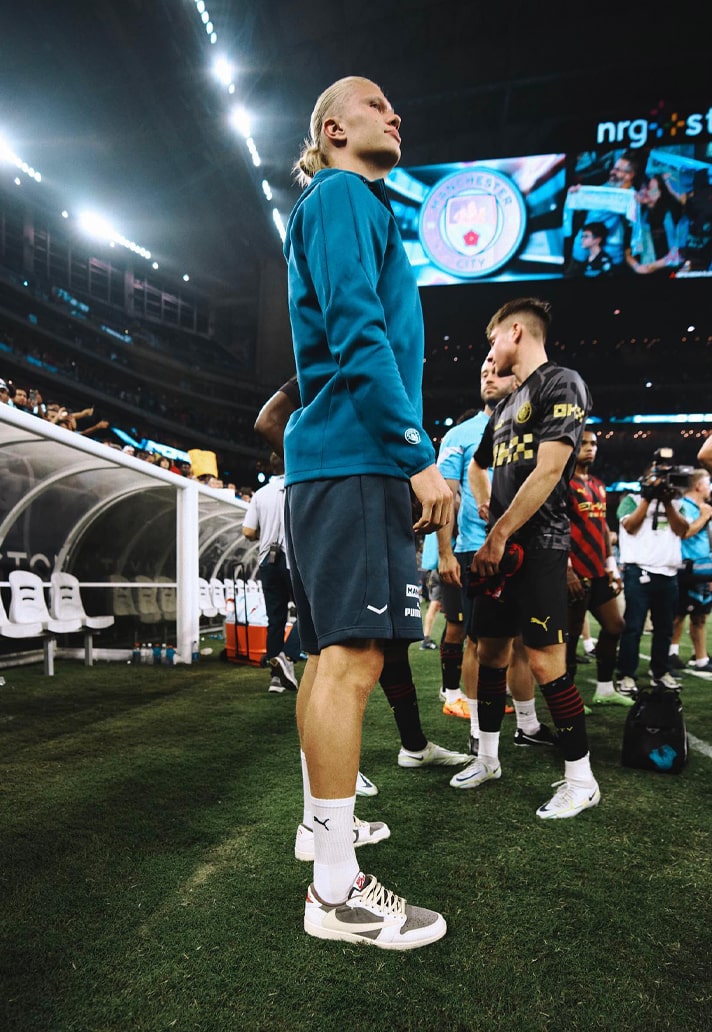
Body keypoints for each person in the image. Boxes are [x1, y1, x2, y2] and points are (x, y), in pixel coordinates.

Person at [280, 76, 455, 950]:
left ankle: (323, 833)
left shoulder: (338, 204)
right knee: (354, 659)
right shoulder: (346, 195)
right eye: (378, 103)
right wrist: (416, 454)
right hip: (357, 457)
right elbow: (356, 328)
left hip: (334, 459)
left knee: (328, 659)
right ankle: (336, 892)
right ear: (333, 128)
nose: (396, 113)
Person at [255, 375, 468, 775]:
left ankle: (409, 746)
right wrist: (327, 469)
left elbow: (270, 420)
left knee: (376, 645)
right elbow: (269, 420)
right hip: (354, 499)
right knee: (347, 653)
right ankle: (330, 776)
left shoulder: (339, 369)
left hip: (358, 501)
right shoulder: (354, 355)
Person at [460, 297, 600, 820]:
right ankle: (488, 758)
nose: (490, 351)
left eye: (493, 339)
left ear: (515, 332)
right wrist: (484, 504)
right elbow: (477, 466)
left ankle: (581, 780)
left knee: (544, 662)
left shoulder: (562, 383)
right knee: (492, 653)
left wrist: (498, 532)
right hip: (501, 546)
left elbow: (549, 471)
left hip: (540, 545)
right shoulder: (502, 406)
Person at [438, 355, 553, 757]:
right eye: (483, 372)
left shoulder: (536, 427)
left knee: (523, 642)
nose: (488, 376)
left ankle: (527, 725)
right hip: (476, 549)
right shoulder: (460, 434)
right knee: (477, 643)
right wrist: (445, 552)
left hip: (526, 549)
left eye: (497, 371)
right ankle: (476, 730)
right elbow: (446, 496)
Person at [566, 428, 629, 706]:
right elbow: (558, 527)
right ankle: (568, 700)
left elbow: (602, 527)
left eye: (594, 443)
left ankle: (604, 689)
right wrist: (566, 569)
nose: (590, 448)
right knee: (570, 638)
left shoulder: (599, 485)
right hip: (574, 572)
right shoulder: (563, 484)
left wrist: (611, 565)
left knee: (615, 626)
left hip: (598, 570)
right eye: (584, 443)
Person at [615, 456, 689, 694]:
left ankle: (660, 671)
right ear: (646, 478)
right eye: (658, 476)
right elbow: (630, 526)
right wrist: (647, 497)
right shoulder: (631, 500)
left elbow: (682, 530)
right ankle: (626, 674)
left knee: (665, 628)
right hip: (639, 571)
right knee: (633, 627)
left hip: (668, 572)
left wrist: (667, 502)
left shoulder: (677, 503)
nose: (662, 481)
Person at [241, 451, 302, 692]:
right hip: (292, 560)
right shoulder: (299, 489)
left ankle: (276, 679)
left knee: (275, 620)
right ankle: (287, 656)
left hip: (267, 560)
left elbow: (247, 531)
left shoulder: (261, 493)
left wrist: (264, 533)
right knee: (309, 613)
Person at [669, 470, 712, 673]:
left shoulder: (702, 507)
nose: (710, 488)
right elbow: (684, 532)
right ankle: (671, 654)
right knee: (679, 615)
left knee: (700, 615)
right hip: (687, 568)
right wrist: (704, 517)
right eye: (708, 484)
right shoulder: (683, 506)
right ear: (698, 486)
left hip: (703, 569)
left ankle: (701, 659)